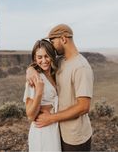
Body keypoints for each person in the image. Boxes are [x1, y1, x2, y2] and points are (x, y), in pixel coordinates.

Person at [27, 24, 94, 152]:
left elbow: (84, 107)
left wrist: (50, 118)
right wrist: (30, 70)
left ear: (63, 39)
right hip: (58, 132)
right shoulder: (61, 61)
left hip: (75, 136)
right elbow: (40, 63)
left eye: (52, 41)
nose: (51, 45)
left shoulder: (81, 67)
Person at [23, 40, 61, 151]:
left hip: (55, 126)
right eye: (39, 57)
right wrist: (39, 92)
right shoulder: (34, 79)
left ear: (52, 56)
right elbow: (30, 116)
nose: (44, 61)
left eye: (47, 56)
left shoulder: (56, 74)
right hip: (42, 130)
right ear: (35, 59)